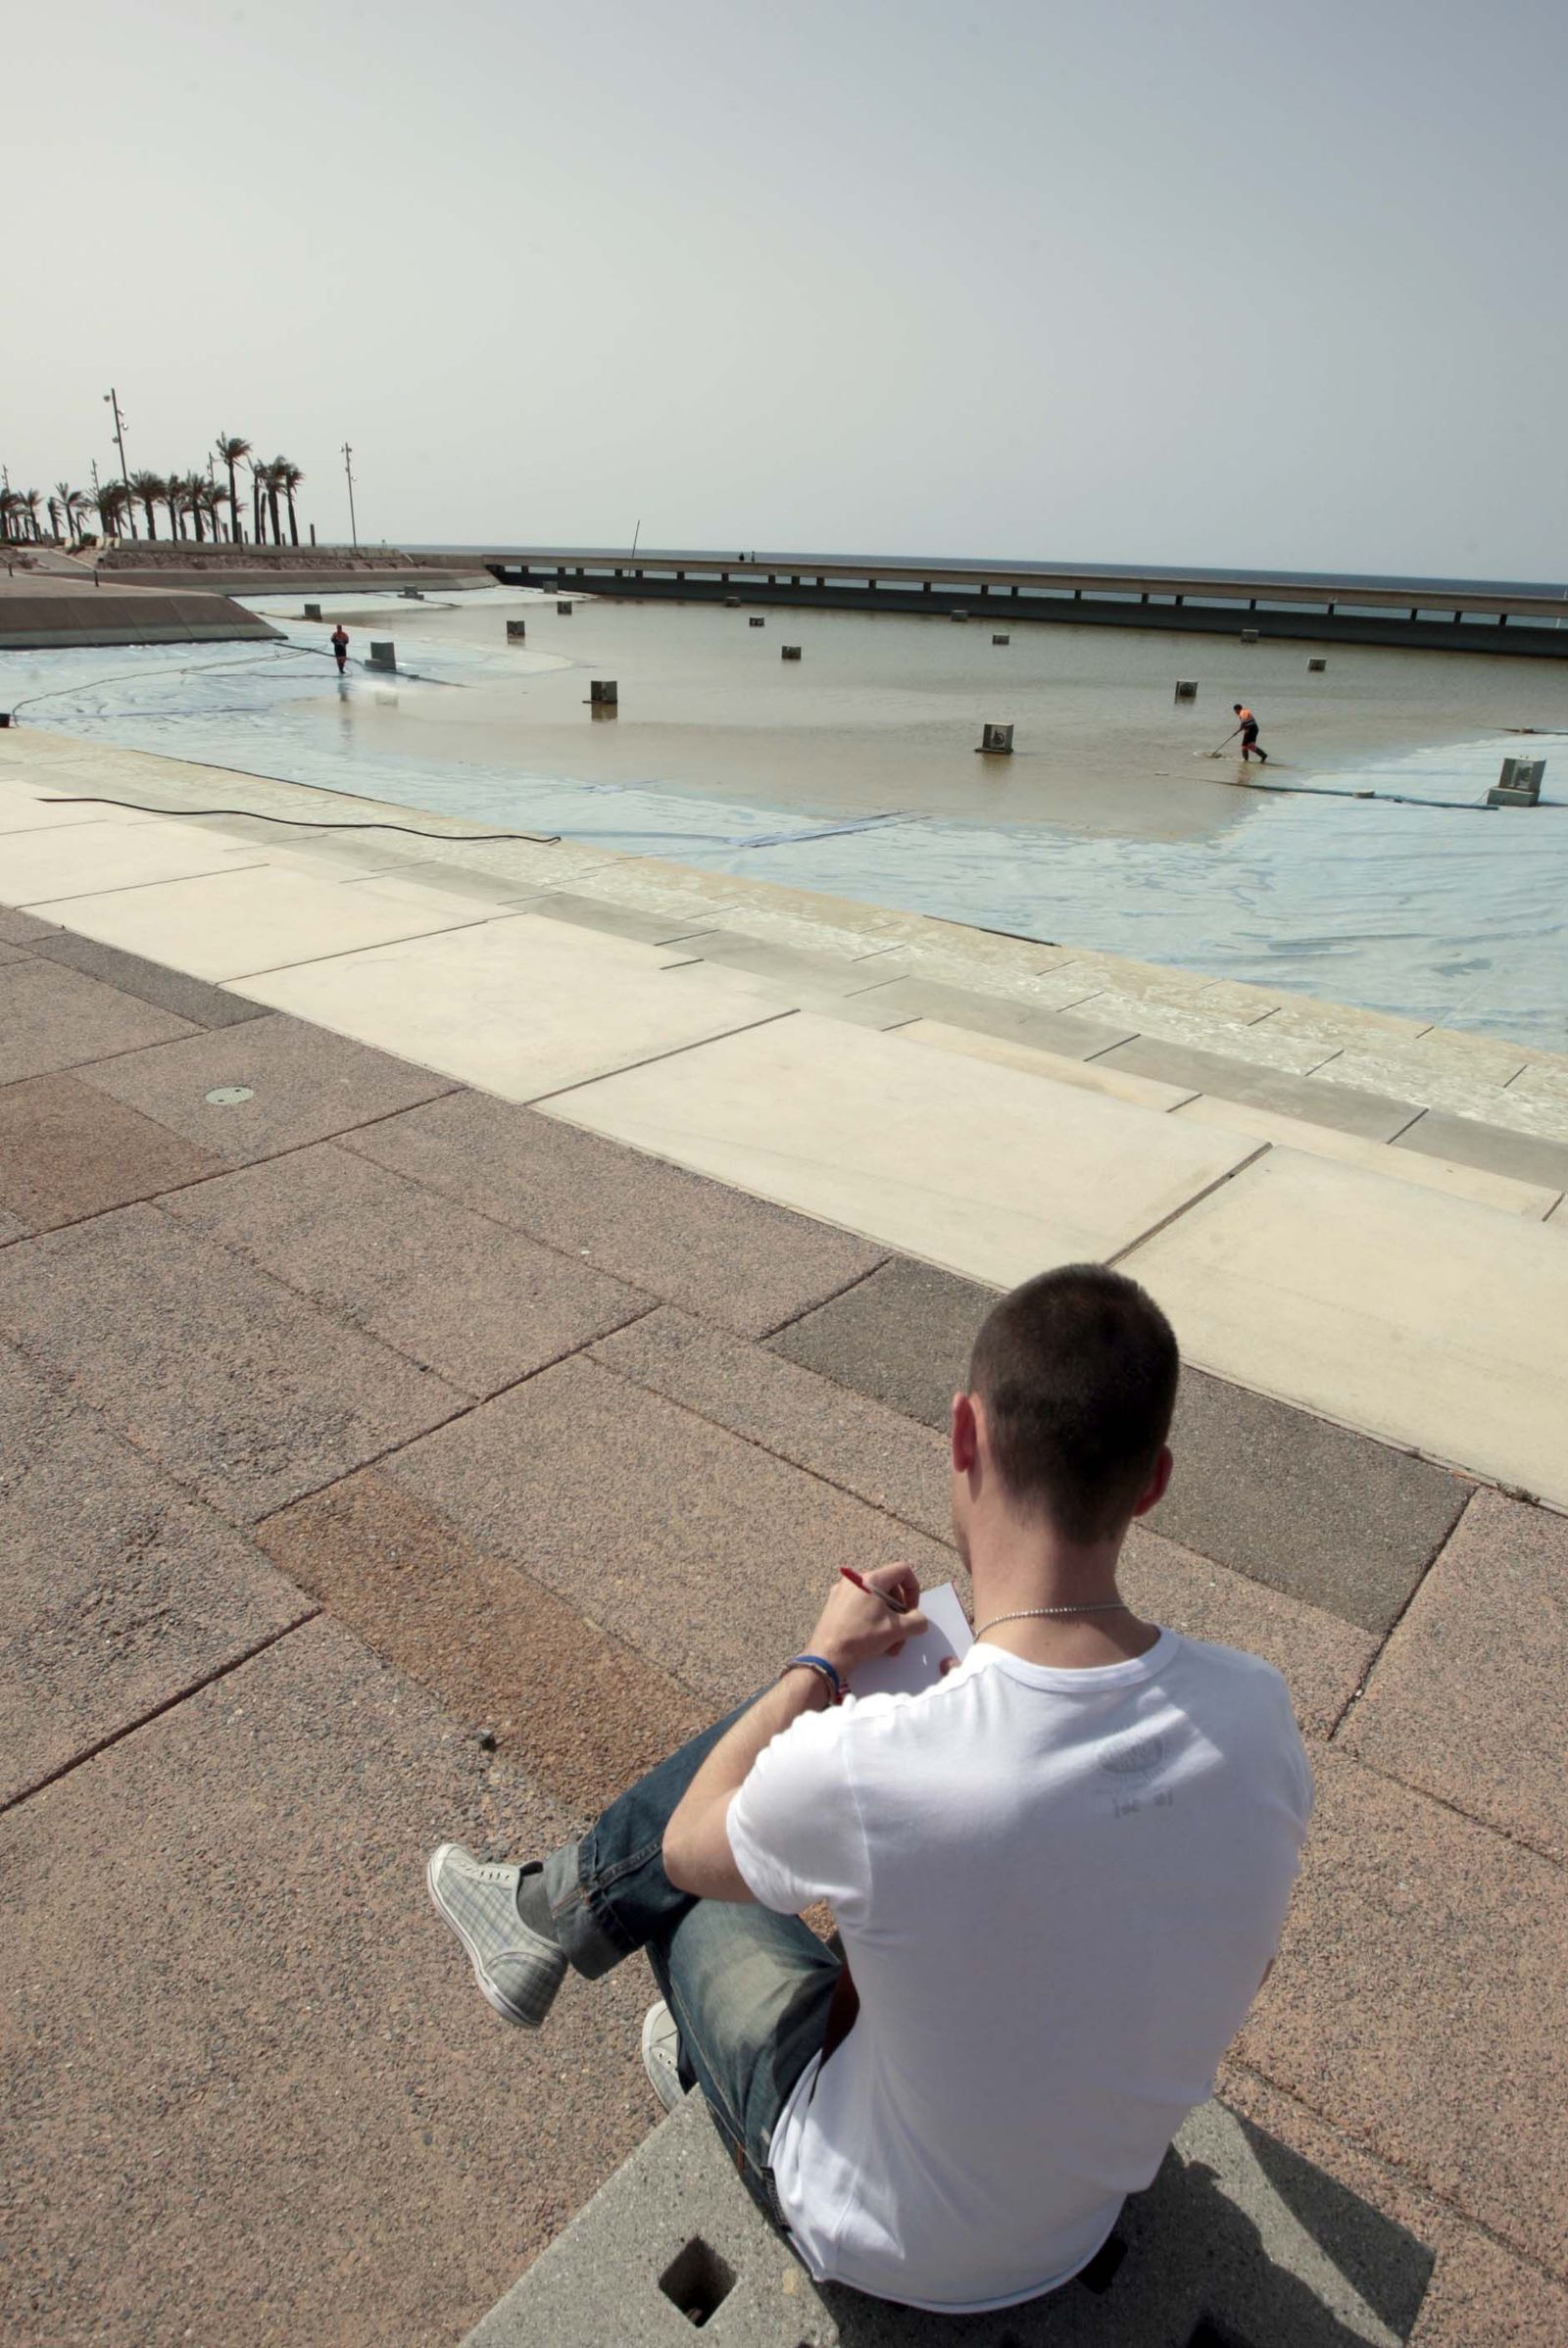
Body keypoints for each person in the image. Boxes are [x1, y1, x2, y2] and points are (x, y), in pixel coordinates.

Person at [425, 1266, 1311, 2316]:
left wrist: (819, 1666)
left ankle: (587, 1944)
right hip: (1077, 2219)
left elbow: (686, 1845)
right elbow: (1226, 1966)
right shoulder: (1257, 1710)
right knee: (908, 1862)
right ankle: (560, 1919)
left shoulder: (885, 1757)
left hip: (885, 2236)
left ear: (963, 1434)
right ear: (1154, 1480)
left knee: (702, 1887)